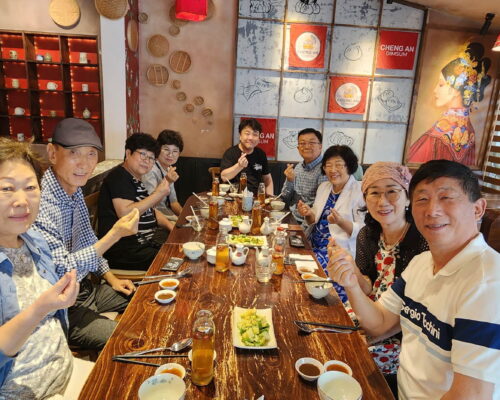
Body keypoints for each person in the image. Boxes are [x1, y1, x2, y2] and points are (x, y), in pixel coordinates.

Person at [328, 159, 500, 399]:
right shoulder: (421, 263)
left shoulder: (488, 283)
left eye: (446, 197)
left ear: (478, 209)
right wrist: (350, 283)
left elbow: (471, 395)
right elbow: (379, 322)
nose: (432, 210)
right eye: (423, 199)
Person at [33, 118, 140, 350]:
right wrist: (114, 234)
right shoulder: (39, 204)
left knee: (146, 299)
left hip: (87, 290)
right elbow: (61, 273)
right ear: (52, 153)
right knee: (130, 342)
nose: (84, 163)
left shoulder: (74, 191)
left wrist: (111, 278)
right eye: (74, 153)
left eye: (91, 154)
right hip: (62, 309)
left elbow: (88, 240)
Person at [0, 138, 92, 400]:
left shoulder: (35, 241)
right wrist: (41, 308)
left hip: (67, 370)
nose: (22, 200)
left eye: (30, 187)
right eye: (7, 188)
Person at [328, 162, 428, 391]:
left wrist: (370, 336)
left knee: (344, 354)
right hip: (368, 312)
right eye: (374, 193)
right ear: (365, 198)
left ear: (408, 197)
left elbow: (409, 314)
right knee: (326, 328)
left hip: (400, 334)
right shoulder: (368, 235)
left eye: (392, 191)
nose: (382, 201)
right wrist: (349, 266)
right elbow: (367, 287)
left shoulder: (421, 241)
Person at [98, 132, 174, 270]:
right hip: (126, 250)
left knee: (181, 243)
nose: (147, 160)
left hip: (146, 242)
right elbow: (125, 213)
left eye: (151, 158)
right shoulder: (119, 177)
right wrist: (158, 194)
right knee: (177, 258)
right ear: (128, 153)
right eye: (143, 154)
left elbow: (150, 211)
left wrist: (170, 226)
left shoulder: (135, 178)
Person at [408, 42, 491, 165]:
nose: (435, 90)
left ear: (456, 91)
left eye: (441, 84)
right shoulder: (469, 130)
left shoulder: (438, 134)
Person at [279, 128, 327, 226]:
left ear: (320, 146)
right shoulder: (299, 167)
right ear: (298, 148)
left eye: (311, 143)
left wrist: (302, 229)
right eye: (302, 143)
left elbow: (321, 208)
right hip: (291, 217)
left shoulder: (325, 169)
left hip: (308, 224)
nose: (307, 146)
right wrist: (289, 180)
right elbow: (285, 196)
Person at [220, 118, 273, 195]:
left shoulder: (261, 154)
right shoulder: (230, 153)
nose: (251, 138)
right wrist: (239, 166)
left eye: (255, 134)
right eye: (247, 134)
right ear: (240, 136)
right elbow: (224, 177)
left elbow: (267, 180)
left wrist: (270, 198)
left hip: (256, 197)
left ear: (259, 138)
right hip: (234, 197)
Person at [142, 129, 183, 220]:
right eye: (166, 149)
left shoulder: (169, 169)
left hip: (167, 213)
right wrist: (167, 181)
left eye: (175, 151)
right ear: (158, 149)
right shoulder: (151, 170)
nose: (170, 154)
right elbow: (150, 205)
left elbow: (173, 202)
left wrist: (185, 216)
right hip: (154, 217)